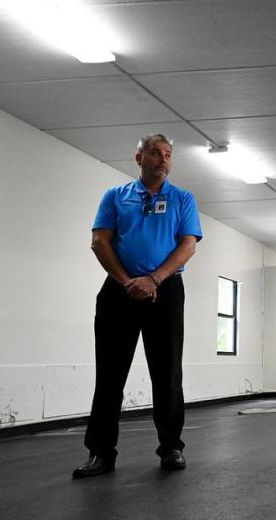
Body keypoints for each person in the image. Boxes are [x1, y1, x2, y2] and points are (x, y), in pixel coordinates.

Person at [72, 134, 203, 478]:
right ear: (139, 157)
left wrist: (154, 280)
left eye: (168, 155)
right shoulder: (115, 196)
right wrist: (127, 281)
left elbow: (188, 246)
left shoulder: (183, 199)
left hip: (166, 290)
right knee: (110, 375)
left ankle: (171, 447)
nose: (163, 160)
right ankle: (101, 453)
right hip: (120, 291)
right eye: (156, 153)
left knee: (168, 373)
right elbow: (99, 241)